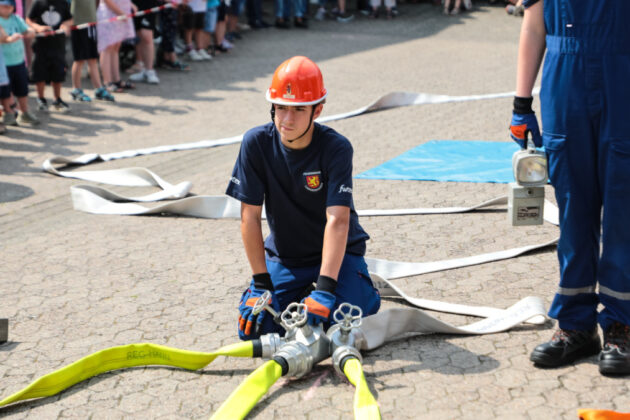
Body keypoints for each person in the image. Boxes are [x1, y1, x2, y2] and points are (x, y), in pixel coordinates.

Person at [510, 0, 630, 375]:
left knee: (623, 211)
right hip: (565, 82)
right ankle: (575, 326)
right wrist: (521, 102)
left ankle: (621, 325)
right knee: (573, 209)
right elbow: (533, 24)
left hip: (622, 77)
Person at [226, 56, 381, 340]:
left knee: (344, 322)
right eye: (280, 108)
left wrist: (323, 288)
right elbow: (249, 216)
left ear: (317, 110)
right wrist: (261, 283)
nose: (286, 119)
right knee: (255, 329)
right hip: (287, 256)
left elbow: (338, 220)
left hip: (338, 254)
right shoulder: (256, 143)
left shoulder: (336, 148)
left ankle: (363, 291)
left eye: (298, 110)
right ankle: (298, 290)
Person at [26, 0, 73, 112]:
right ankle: (41, 99)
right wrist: (37, 28)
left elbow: (70, 19)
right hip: (41, 45)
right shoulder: (38, 2)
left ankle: (57, 99)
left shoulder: (63, 3)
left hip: (58, 45)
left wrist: (65, 25)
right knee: (39, 73)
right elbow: (28, 20)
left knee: (58, 73)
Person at [0, 0, 39, 126]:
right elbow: (3, 38)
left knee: (22, 89)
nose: (6, 8)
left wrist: (30, 32)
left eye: (9, 6)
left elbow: (27, 30)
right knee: (6, 91)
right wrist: (10, 39)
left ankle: (24, 112)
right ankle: (9, 112)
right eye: (3, 6)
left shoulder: (16, 19)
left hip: (18, 61)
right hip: (4, 64)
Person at [70, 0, 115, 102]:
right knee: (79, 59)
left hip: (91, 23)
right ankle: (76, 89)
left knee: (93, 58)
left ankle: (98, 88)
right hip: (78, 24)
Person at [97, 0, 136, 92]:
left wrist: (131, 5)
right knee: (107, 48)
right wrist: (120, 12)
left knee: (116, 47)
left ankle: (116, 80)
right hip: (109, 14)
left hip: (119, 14)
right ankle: (107, 82)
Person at [129, 0, 162, 82]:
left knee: (146, 35)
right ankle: (143, 68)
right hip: (134, 3)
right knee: (139, 34)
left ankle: (150, 71)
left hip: (149, 4)